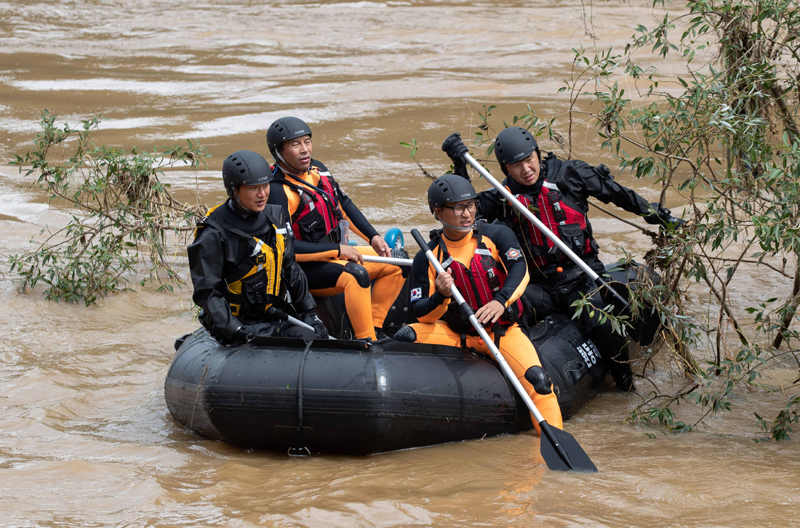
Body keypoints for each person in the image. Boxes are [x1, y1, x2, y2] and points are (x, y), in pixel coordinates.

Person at [442, 128, 686, 391]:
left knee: (600, 322)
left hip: (582, 277)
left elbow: (618, 194)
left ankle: (625, 386)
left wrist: (659, 217)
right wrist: (459, 165)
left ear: (537, 153)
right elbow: (463, 210)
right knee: (508, 313)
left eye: (529, 159)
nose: (526, 169)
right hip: (539, 285)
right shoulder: (503, 196)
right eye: (516, 165)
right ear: (505, 169)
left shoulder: (571, 175)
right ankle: (508, 378)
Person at [394, 174, 563, 433]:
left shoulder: (496, 235)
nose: (467, 213)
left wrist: (500, 301)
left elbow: (521, 269)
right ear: (438, 212)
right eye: (458, 207)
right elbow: (420, 313)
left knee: (539, 381)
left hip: (501, 332)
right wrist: (441, 295)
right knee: (406, 336)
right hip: (457, 334)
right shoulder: (428, 257)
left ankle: (554, 444)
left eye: (470, 205)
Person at [265, 117, 405, 341]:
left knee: (398, 262)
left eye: (307, 142)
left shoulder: (319, 170)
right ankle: (367, 341)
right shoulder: (277, 191)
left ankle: (376, 326)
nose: (305, 150)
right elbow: (286, 249)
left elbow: (344, 206)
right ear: (278, 151)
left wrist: (373, 236)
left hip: (333, 253)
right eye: (295, 144)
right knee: (355, 275)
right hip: (305, 269)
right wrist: (339, 251)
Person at [188, 149, 328, 344]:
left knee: (313, 337)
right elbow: (207, 292)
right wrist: (233, 329)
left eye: (265, 185)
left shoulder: (276, 217)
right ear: (234, 190)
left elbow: (290, 268)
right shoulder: (213, 232)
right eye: (253, 188)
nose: (262, 194)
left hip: (273, 315)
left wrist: (308, 311)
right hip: (237, 323)